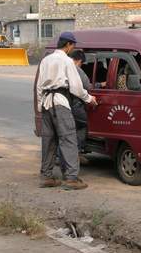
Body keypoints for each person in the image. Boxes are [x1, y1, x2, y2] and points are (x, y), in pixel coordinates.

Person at [36, 32, 97, 190]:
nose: (72, 48)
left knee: (48, 141)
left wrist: (40, 106)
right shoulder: (67, 61)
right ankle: (71, 178)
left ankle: (46, 177)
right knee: (68, 139)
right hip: (61, 103)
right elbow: (77, 87)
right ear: (69, 45)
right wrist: (89, 98)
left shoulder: (46, 60)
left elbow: (39, 86)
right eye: (73, 46)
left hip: (46, 104)